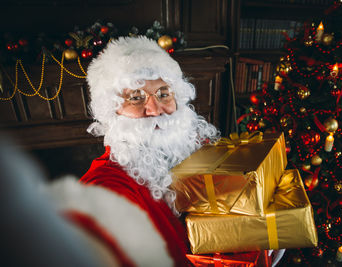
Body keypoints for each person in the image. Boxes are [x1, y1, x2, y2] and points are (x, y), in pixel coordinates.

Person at [50, 36, 219, 266]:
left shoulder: (194, 148)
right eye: (136, 97)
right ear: (112, 113)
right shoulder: (108, 184)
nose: (155, 110)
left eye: (163, 93)